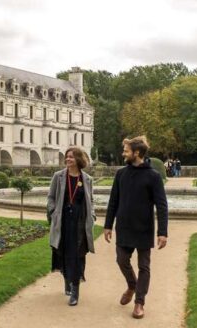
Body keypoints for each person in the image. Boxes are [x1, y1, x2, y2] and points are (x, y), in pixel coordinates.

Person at [104, 136, 168, 319]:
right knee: (121, 260)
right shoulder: (121, 174)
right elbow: (113, 201)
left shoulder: (153, 176)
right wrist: (108, 225)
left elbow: (162, 205)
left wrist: (162, 232)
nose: (123, 153)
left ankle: (139, 302)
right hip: (123, 227)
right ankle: (132, 285)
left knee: (144, 266)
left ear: (137, 152)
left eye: (126, 150)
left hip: (144, 228)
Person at [47, 147, 96, 306]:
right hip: (63, 222)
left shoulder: (87, 179)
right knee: (63, 252)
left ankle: (75, 291)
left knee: (78, 255)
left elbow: (91, 201)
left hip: (80, 223)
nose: (68, 159)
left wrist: (92, 215)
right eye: (67, 157)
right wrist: (53, 211)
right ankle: (67, 280)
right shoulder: (58, 176)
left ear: (78, 159)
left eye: (71, 157)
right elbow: (51, 197)